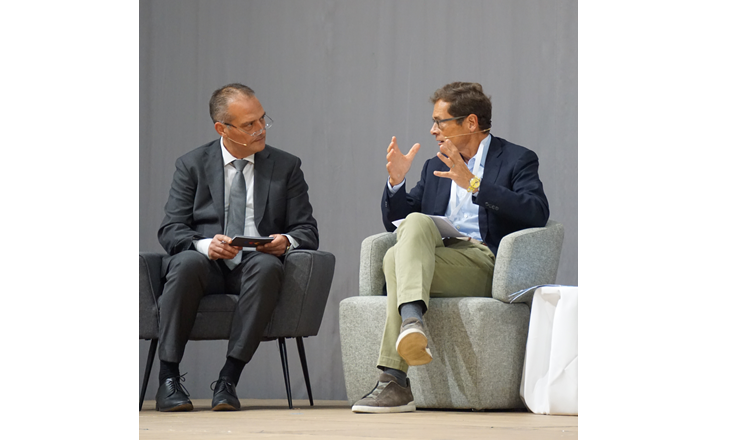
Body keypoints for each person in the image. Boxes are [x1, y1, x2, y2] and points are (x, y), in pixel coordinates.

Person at [351, 82, 549, 413]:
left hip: (483, 261)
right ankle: (411, 325)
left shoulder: (516, 159)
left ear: (470, 122)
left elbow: (535, 212)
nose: (432, 130)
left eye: (440, 122)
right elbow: (398, 223)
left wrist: (473, 183)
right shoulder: (433, 165)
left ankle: (394, 380)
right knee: (405, 238)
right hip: (436, 258)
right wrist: (397, 183)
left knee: (394, 259)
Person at [155, 83, 319, 412]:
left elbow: (307, 230)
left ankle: (229, 379)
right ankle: (169, 379)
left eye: (262, 120)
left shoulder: (286, 167)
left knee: (268, 266)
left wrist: (284, 241)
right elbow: (171, 229)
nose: (260, 129)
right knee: (186, 263)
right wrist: (205, 245)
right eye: (249, 124)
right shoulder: (192, 165)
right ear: (222, 128)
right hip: (206, 268)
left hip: (254, 266)